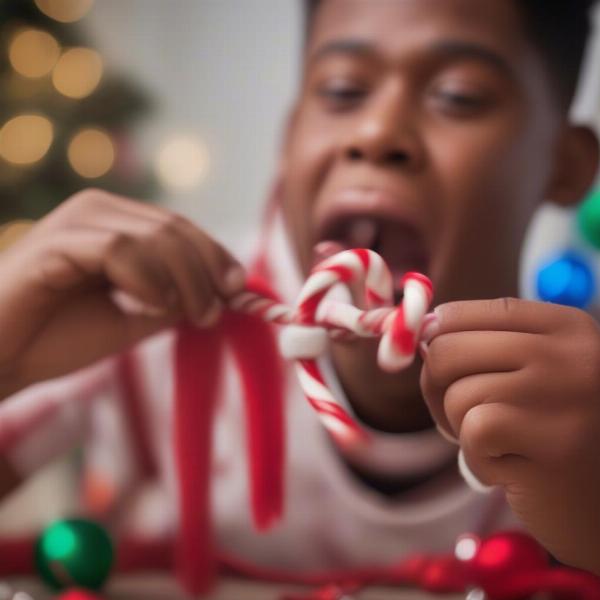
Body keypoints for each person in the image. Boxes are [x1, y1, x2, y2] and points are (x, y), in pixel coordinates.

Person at [0, 0, 599, 579]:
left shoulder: (582, 406)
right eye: (342, 91)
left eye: (458, 96)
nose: (376, 132)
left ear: (567, 164)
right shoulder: (146, 306)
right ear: (288, 139)